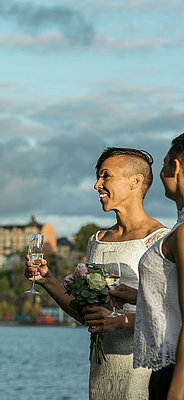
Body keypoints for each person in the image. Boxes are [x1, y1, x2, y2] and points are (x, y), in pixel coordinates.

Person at [25, 147, 168, 400]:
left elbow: (171, 315)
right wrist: (47, 280)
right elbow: (86, 315)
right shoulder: (97, 240)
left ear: (135, 181)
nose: (96, 185)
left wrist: (120, 322)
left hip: (143, 373)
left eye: (105, 176)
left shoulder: (160, 241)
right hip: (101, 373)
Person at [117, 133, 184, 400]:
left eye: (165, 162)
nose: (161, 170)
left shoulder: (181, 234)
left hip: (174, 371)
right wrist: (137, 295)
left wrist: (177, 389)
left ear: (176, 167)